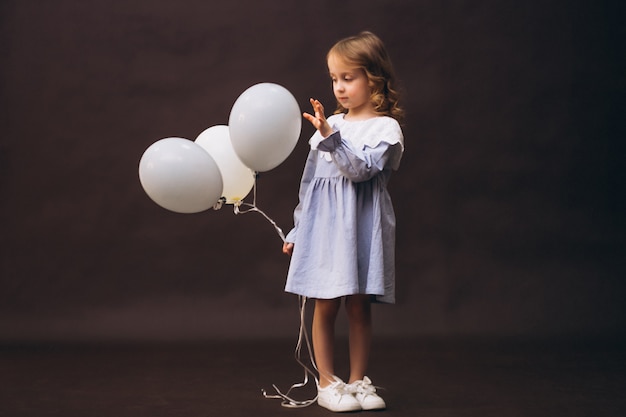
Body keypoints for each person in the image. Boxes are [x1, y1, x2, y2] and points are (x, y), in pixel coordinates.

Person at [282, 31, 404, 412]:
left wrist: (331, 135)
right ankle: (327, 382)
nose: (339, 87)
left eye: (348, 78)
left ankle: (357, 382)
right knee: (325, 301)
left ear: (375, 78)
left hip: (361, 225)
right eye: (334, 79)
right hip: (325, 226)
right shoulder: (328, 128)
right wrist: (299, 228)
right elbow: (311, 186)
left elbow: (361, 171)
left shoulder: (385, 129)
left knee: (358, 304)